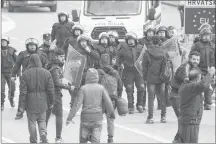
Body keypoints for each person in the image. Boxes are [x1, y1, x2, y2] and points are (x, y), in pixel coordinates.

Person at [66, 68, 115, 143]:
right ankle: (92, 138)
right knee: (96, 141)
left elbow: (77, 104)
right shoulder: (101, 88)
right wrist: (112, 113)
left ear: (87, 77)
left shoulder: (83, 88)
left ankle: (87, 137)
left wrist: (70, 117)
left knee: (83, 140)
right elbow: (108, 101)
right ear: (97, 77)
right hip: (97, 118)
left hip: (85, 118)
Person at [18, 54, 55, 143]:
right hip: (43, 102)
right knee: (42, 120)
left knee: (31, 122)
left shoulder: (25, 74)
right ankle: (43, 133)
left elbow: (23, 93)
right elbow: (50, 90)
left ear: (30, 61)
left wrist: (21, 107)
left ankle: (33, 140)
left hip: (30, 103)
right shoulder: (46, 73)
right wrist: (52, 101)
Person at [12, 38, 48, 120]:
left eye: (33, 45)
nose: (32, 47)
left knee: (40, 94)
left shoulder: (41, 54)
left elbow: (46, 66)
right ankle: (20, 111)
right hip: (25, 78)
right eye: (30, 45)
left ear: (36, 46)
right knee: (23, 94)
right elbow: (17, 65)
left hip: (39, 78)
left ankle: (40, 112)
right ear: (27, 46)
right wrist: (13, 75)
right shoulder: (22, 54)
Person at [178, 67, 215, 143]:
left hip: (188, 120)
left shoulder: (186, 85)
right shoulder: (192, 87)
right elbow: (202, 85)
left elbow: (203, 86)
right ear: (198, 77)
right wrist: (210, 73)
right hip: (190, 122)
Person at [170, 51, 201, 143]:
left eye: (198, 59)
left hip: (186, 99)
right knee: (184, 120)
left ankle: (178, 140)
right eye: (194, 59)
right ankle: (179, 140)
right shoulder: (184, 67)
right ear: (189, 58)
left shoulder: (195, 68)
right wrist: (187, 79)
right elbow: (184, 77)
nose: (196, 61)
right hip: (177, 97)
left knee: (184, 121)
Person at [46, 48, 75, 143]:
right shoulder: (56, 67)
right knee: (58, 115)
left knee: (46, 115)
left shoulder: (51, 65)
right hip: (55, 94)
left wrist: (67, 82)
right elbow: (57, 82)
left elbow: (60, 78)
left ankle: (43, 135)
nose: (63, 58)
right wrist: (68, 87)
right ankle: (58, 138)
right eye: (61, 56)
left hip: (49, 94)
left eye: (63, 56)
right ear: (56, 57)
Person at [69, 34, 100, 108]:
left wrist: (90, 52)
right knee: (75, 90)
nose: (83, 43)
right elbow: (70, 62)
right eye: (81, 41)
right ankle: (73, 105)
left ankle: (88, 105)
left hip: (88, 72)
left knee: (89, 90)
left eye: (84, 41)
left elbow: (98, 58)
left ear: (87, 42)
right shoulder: (76, 50)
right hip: (78, 73)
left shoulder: (91, 49)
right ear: (79, 42)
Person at [97, 54, 123, 143]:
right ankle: (110, 138)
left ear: (100, 61)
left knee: (97, 119)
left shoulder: (97, 72)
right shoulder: (115, 72)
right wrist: (118, 97)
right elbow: (120, 86)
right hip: (111, 99)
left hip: (100, 99)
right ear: (109, 61)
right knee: (110, 119)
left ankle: (96, 137)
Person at [118, 32, 145, 114]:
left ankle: (139, 104)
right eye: (129, 40)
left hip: (138, 71)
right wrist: (120, 64)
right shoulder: (123, 48)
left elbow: (145, 58)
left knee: (141, 87)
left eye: (132, 39)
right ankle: (130, 106)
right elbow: (119, 58)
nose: (130, 41)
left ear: (135, 40)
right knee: (129, 89)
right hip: (128, 71)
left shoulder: (141, 47)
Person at [142, 35, 167, 123]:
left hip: (150, 77)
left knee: (151, 98)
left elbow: (144, 67)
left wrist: (145, 77)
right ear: (159, 42)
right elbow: (166, 65)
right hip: (162, 77)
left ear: (151, 42)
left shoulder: (147, 52)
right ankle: (163, 117)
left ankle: (150, 117)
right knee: (162, 97)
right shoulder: (163, 52)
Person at [190, 28, 215, 110]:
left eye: (208, 35)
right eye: (205, 35)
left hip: (210, 69)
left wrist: (213, 67)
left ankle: (208, 103)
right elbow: (191, 56)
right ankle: (197, 103)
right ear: (201, 36)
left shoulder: (213, 46)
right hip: (199, 68)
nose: (206, 37)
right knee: (198, 86)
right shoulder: (196, 45)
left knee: (209, 86)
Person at [1, 35, 19, 110]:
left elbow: (17, 62)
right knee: (1, 88)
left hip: (10, 72)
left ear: (7, 42)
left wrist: (17, 72)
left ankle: (11, 99)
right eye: (2, 41)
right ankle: (1, 102)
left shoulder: (12, 50)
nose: (3, 43)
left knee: (12, 87)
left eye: (5, 41)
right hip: (1, 72)